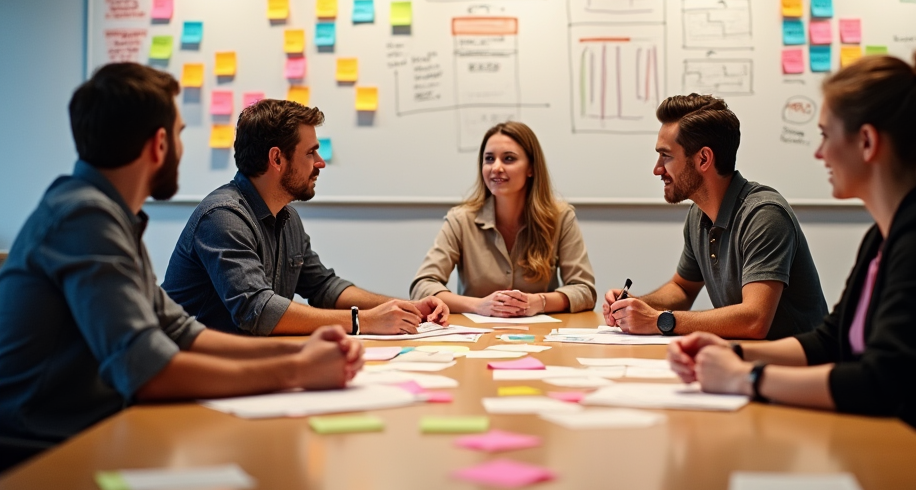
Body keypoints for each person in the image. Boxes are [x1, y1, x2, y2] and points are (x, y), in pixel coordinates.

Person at [668, 40, 916, 459]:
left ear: (867, 142)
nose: (819, 153)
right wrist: (729, 351)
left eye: (824, 136)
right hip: (896, 450)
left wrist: (747, 378)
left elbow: (880, 382)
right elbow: (830, 341)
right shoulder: (886, 235)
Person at [0, 65, 363, 448]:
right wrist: (295, 370)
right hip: (40, 452)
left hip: (85, 435)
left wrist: (301, 350)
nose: (181, 147)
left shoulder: (106, 214)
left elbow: (180, 332)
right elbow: (147, 370)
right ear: (159, 144)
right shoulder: (84, 218)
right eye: (179, 134)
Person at [163, 99, 447, 336]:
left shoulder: (287, 218)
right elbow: (258, 310)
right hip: (191, 373)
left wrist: (405, 306)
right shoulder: (223, 218)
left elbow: (323, 287)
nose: (320, 163)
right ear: (276, 159)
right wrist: (365, 321)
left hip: (245, 362)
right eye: (311, 153)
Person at [604, 94, 827, 339]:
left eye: (666, 156)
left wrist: (660, 320)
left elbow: (754, 320)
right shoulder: (698, 214)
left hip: (795, 369)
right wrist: (635, 305)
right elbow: (682, 288)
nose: (657, 169)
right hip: (744, 361)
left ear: (703, 159)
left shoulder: (764, 215)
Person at [411, 122, 596, 316]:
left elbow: (584, 290)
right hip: (476, 339)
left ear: (531, 168)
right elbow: (422, 286)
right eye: (489, 159)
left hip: (541, 339)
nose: (496, 168)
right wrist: (478, 306)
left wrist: (539, 302)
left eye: (508, 159)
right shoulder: (461, 220)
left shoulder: (560, 217)